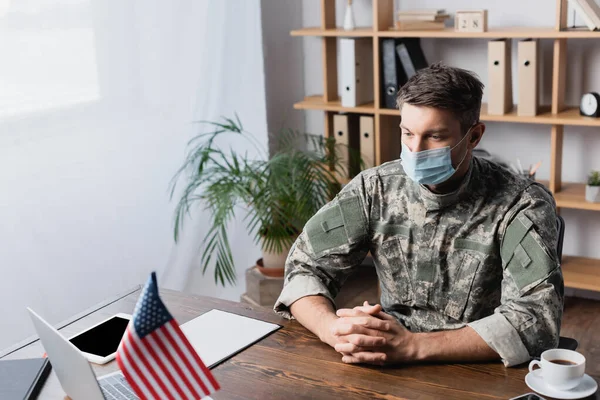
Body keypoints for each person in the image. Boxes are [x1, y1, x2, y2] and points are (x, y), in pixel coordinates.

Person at [273, 62, 564, 368]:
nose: (415, 150)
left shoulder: (520, 202)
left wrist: (413, 346)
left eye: (435, 137)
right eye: (407, 133)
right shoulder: (375, 189)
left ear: (474, 136)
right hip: (386, 357)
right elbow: (304, 269)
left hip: (478, 366)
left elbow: (535, 317)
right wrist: (335, 331)